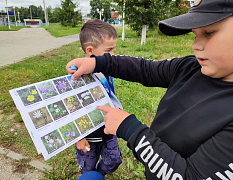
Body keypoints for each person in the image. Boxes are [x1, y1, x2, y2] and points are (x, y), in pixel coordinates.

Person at [66, 0, 233, 179]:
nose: (195, 45)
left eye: (209, 33)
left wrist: (130, 129)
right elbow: (145, 69)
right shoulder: (190, 68)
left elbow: (189, 176)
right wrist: (98, 62)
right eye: (195, 35)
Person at [74, 19, 122, 177]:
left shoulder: (106, 70)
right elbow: (72, 109)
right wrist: (79, 138)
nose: (113, 55)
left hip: (108, 131)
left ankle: (98, 175)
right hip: (88, 137)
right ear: (90, 51)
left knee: (114, 160)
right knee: (87, 169)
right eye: (109, 50)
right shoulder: (77, 78)